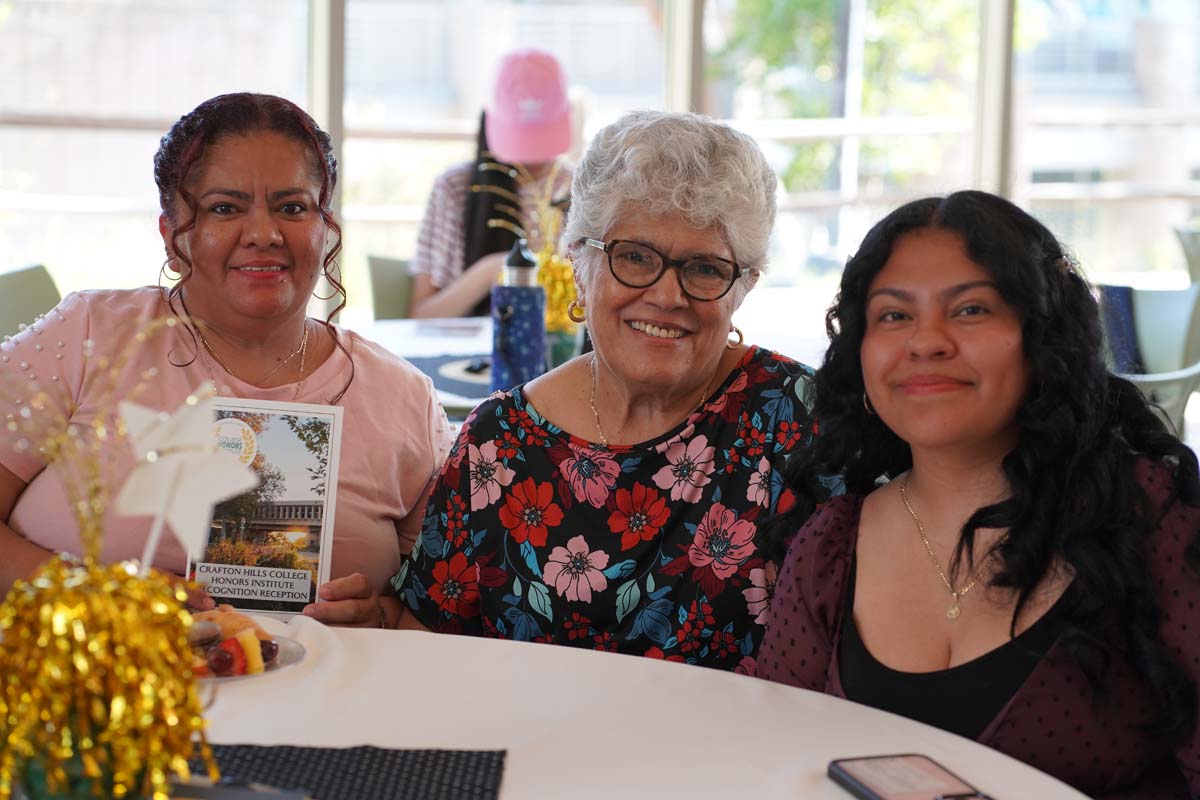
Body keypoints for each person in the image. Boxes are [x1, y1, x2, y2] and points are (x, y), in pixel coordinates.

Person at [316, 110, 831, 670]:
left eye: (705, 268)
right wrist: (375, 626)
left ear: (743, 285)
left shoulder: (803, 424)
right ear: (580, 264)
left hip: (743, 753)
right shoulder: (499, 444)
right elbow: (432, 636)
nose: (666, 295)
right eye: (635, 256)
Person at [757, 191, 1200, 798]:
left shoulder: (1154, 522)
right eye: (893, 315)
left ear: (1043, 338)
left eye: (970, 310)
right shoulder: (828, 550)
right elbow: (773, 770)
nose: (926, 341)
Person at [0, 93, 453, 612]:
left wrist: (386, 618)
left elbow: (447, 603)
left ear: (325, 230)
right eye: (224, 208)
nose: (263, 233)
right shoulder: (88, 337)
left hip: (322, 689)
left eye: (291, 207)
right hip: (84, 683)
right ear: (172, 236)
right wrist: (89, 596)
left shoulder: (403, 397)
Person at [406, 47, 574, 318]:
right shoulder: (455, 188)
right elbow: (423, 315)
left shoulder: (581, 188)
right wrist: (491, 272)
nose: (531, 156)